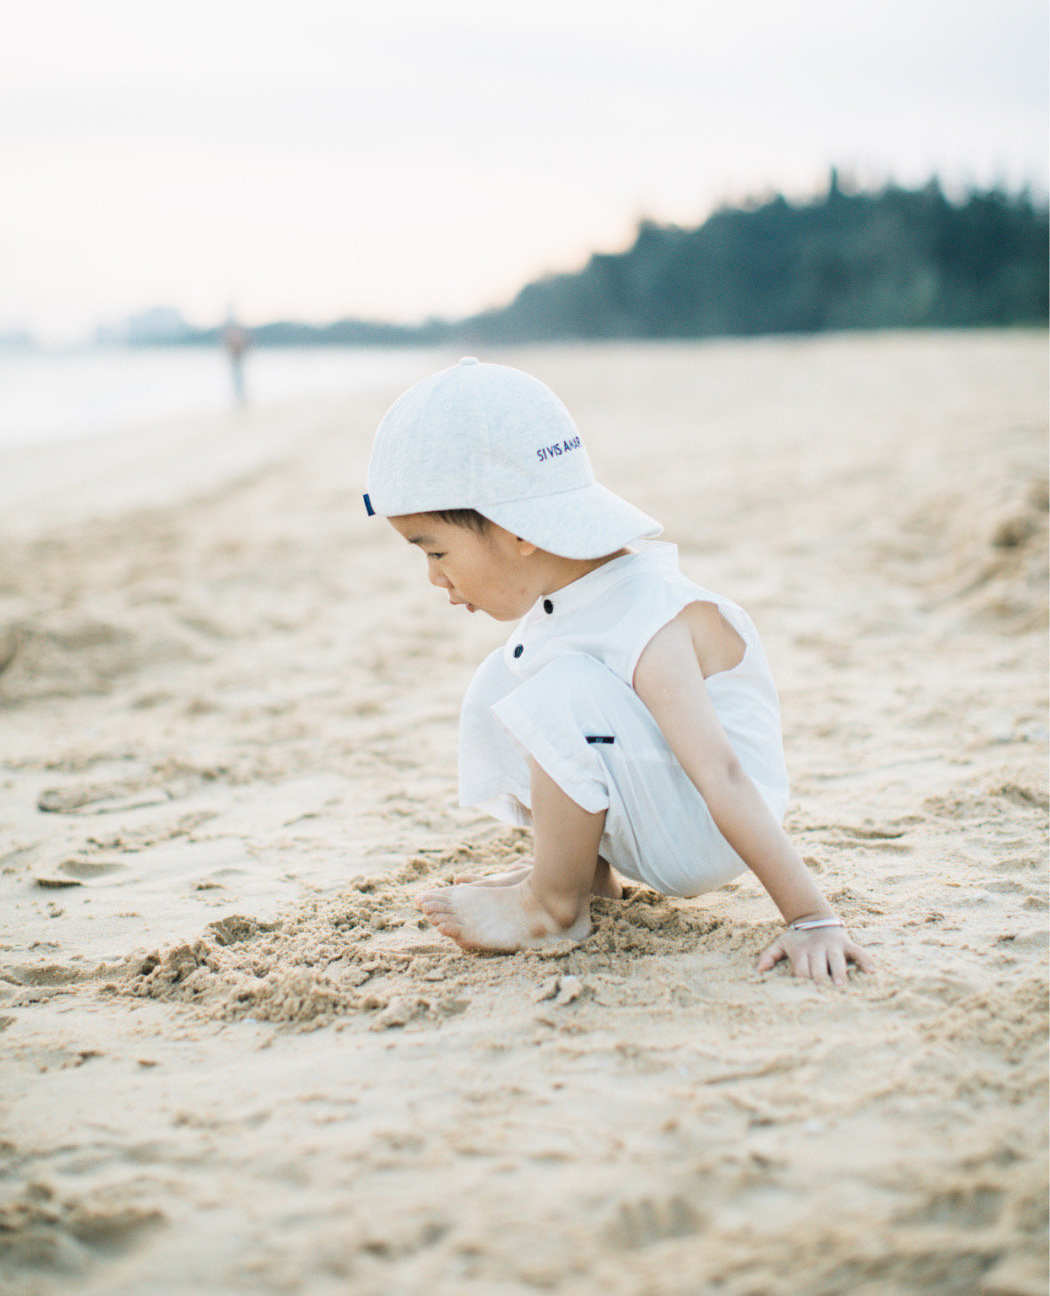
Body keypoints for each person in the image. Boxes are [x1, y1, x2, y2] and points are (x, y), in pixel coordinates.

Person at [364, 357, 874, 985]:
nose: (434, 577)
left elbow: (724, 774)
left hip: (704, 830)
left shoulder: (648, 616)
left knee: (561, 694)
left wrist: (811, 918)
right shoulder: (571, 601)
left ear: (518, 531)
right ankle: (582, 877)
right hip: (658, 808)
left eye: (437, 551)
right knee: (504, 681)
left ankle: (554, 906)